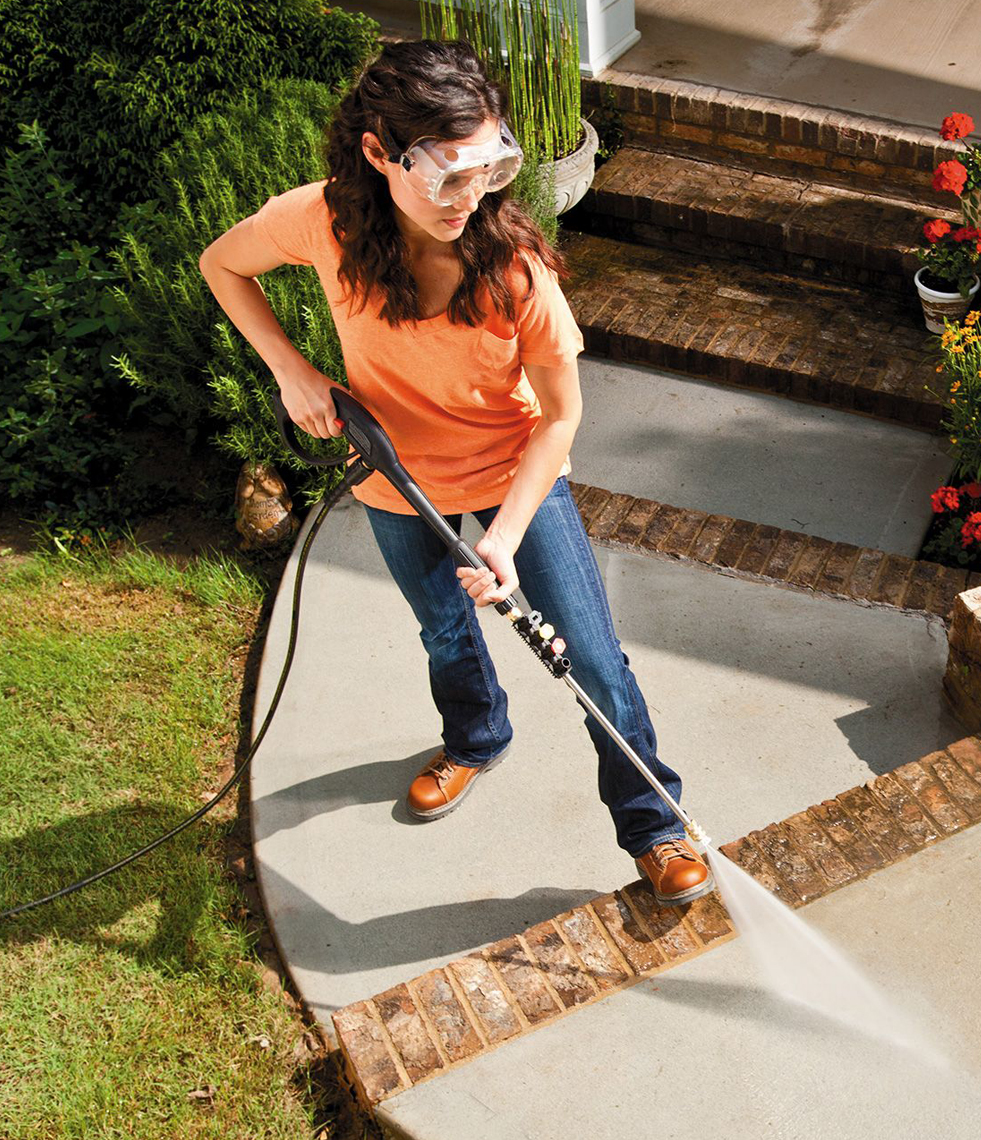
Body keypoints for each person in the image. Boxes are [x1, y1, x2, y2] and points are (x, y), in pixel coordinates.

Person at [198, 39, 713, 905]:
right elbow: (224, 263)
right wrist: (293, 370)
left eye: (486, 171)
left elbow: (562, 419)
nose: (468, 198)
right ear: (377, 153)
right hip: (394, 478)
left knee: (587, 654)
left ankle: (655, 824)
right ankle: (475, 736)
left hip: (516, 477)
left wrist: (506, 538)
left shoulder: (517, 270)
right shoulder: (324, 221)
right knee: (444, 630)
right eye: (446, 174)